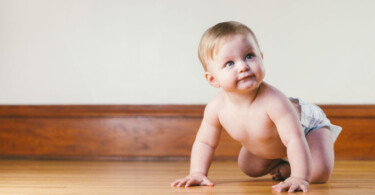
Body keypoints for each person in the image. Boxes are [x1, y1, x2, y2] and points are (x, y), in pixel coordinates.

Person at [170, 21, 342, 192]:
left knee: (318, 172)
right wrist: (197, 173)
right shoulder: (216, 107)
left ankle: (295, 170)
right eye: (230, 63)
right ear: (213, 79)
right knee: (249, 166)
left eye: (249, 56)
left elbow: (294, 139)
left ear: (261, 57)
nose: (243, 66)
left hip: (307, 128)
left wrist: (299, 177)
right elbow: (205, 142)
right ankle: (287, 165)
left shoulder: (275, 101)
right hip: (274, 142)